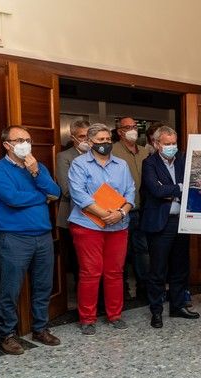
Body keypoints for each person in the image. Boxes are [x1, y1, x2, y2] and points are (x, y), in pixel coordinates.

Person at [0, 125, 62, 354]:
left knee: (43, 286)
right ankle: (6, 334)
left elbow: (56, 193)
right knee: (10, 289)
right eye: (19, 140)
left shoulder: (38, 167)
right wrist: (42, 197)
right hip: (14, 238)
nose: (25, 144)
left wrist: (36, 173)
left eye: (27, 139)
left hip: (43, 237)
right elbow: (12, 199)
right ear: (6, 145)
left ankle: (40, 328)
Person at [68, 123, 135, 335]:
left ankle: (115, 315)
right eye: (100, 140)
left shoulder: (122, 165)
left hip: (118, 225)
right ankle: (87, 318)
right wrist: (104, 215)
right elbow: (78, 194)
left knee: (115, 272)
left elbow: (130, 191)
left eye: (108, 139)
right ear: (89, 142)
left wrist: (121, 213)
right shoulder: (79, 164)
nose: (105, 143)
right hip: (88, 226)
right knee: (90, 272)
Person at [140, 126, 199, 328]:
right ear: (157, 144)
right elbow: (155, 190)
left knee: (180, 268)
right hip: (159, 224)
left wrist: (172, 191)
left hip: (181, 221)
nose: (171, 147)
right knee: (158, 270)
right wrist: (179, 188)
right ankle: (156, 311)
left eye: (174, 143)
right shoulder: (149, 163)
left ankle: (178, 306)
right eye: (167, 144)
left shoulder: (184, 159)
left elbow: (193, 186)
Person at [111, 116, 150, 302]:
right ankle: (123, 290)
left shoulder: (144, 152)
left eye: (135, 126)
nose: (133, 129)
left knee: (142, 251)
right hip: (122, 210)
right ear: (120, 131)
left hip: (143, 209)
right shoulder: (113, 151)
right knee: (122, 253)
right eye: (128, 127)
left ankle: (143, 288)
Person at [56, 119, 90, 288]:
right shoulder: (64, 157)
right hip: (73, 215)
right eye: (82, 136)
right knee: (79, 262)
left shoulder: (99, 155)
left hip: (99, 217)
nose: (86, 140)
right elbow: (67, 190)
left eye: (88, 136)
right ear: (73, 137)